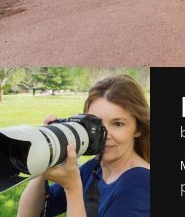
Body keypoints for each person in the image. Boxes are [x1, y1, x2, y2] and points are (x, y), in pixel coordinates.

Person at [17, 74, 150, 217]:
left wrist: (72, 188)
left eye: (118, 124)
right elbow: (29, 214)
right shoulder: (94, 169)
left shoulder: (141, 183)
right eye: (96, 124)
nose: (104, 135)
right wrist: (47, 157)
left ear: (138, 128)